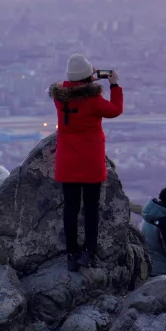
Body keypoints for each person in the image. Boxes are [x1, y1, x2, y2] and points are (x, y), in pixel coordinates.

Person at [48, 53, 123, 273]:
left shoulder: (59, 98)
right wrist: (114, 86)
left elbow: (71, 86)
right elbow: (115, 110)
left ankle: (72, 254)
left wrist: (85, 78)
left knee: (70, 209)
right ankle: (90, 251)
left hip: (67, 161)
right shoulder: (93, 101)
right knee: (91, 209)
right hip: (90, 161)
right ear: (88, 77)